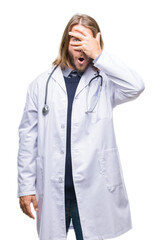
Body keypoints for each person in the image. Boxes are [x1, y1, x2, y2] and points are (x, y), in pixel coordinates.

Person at [17, 14, 145, 240]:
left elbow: (136, 87)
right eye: (76, 40)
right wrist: (25, 187)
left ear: (96, 43)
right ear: (66, 44)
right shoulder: (40, 84)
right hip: (54, 189)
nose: (81, 48)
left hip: (94, 190)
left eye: (87, 41)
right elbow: (28, 138)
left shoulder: (106, 82)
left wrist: (100, 56)